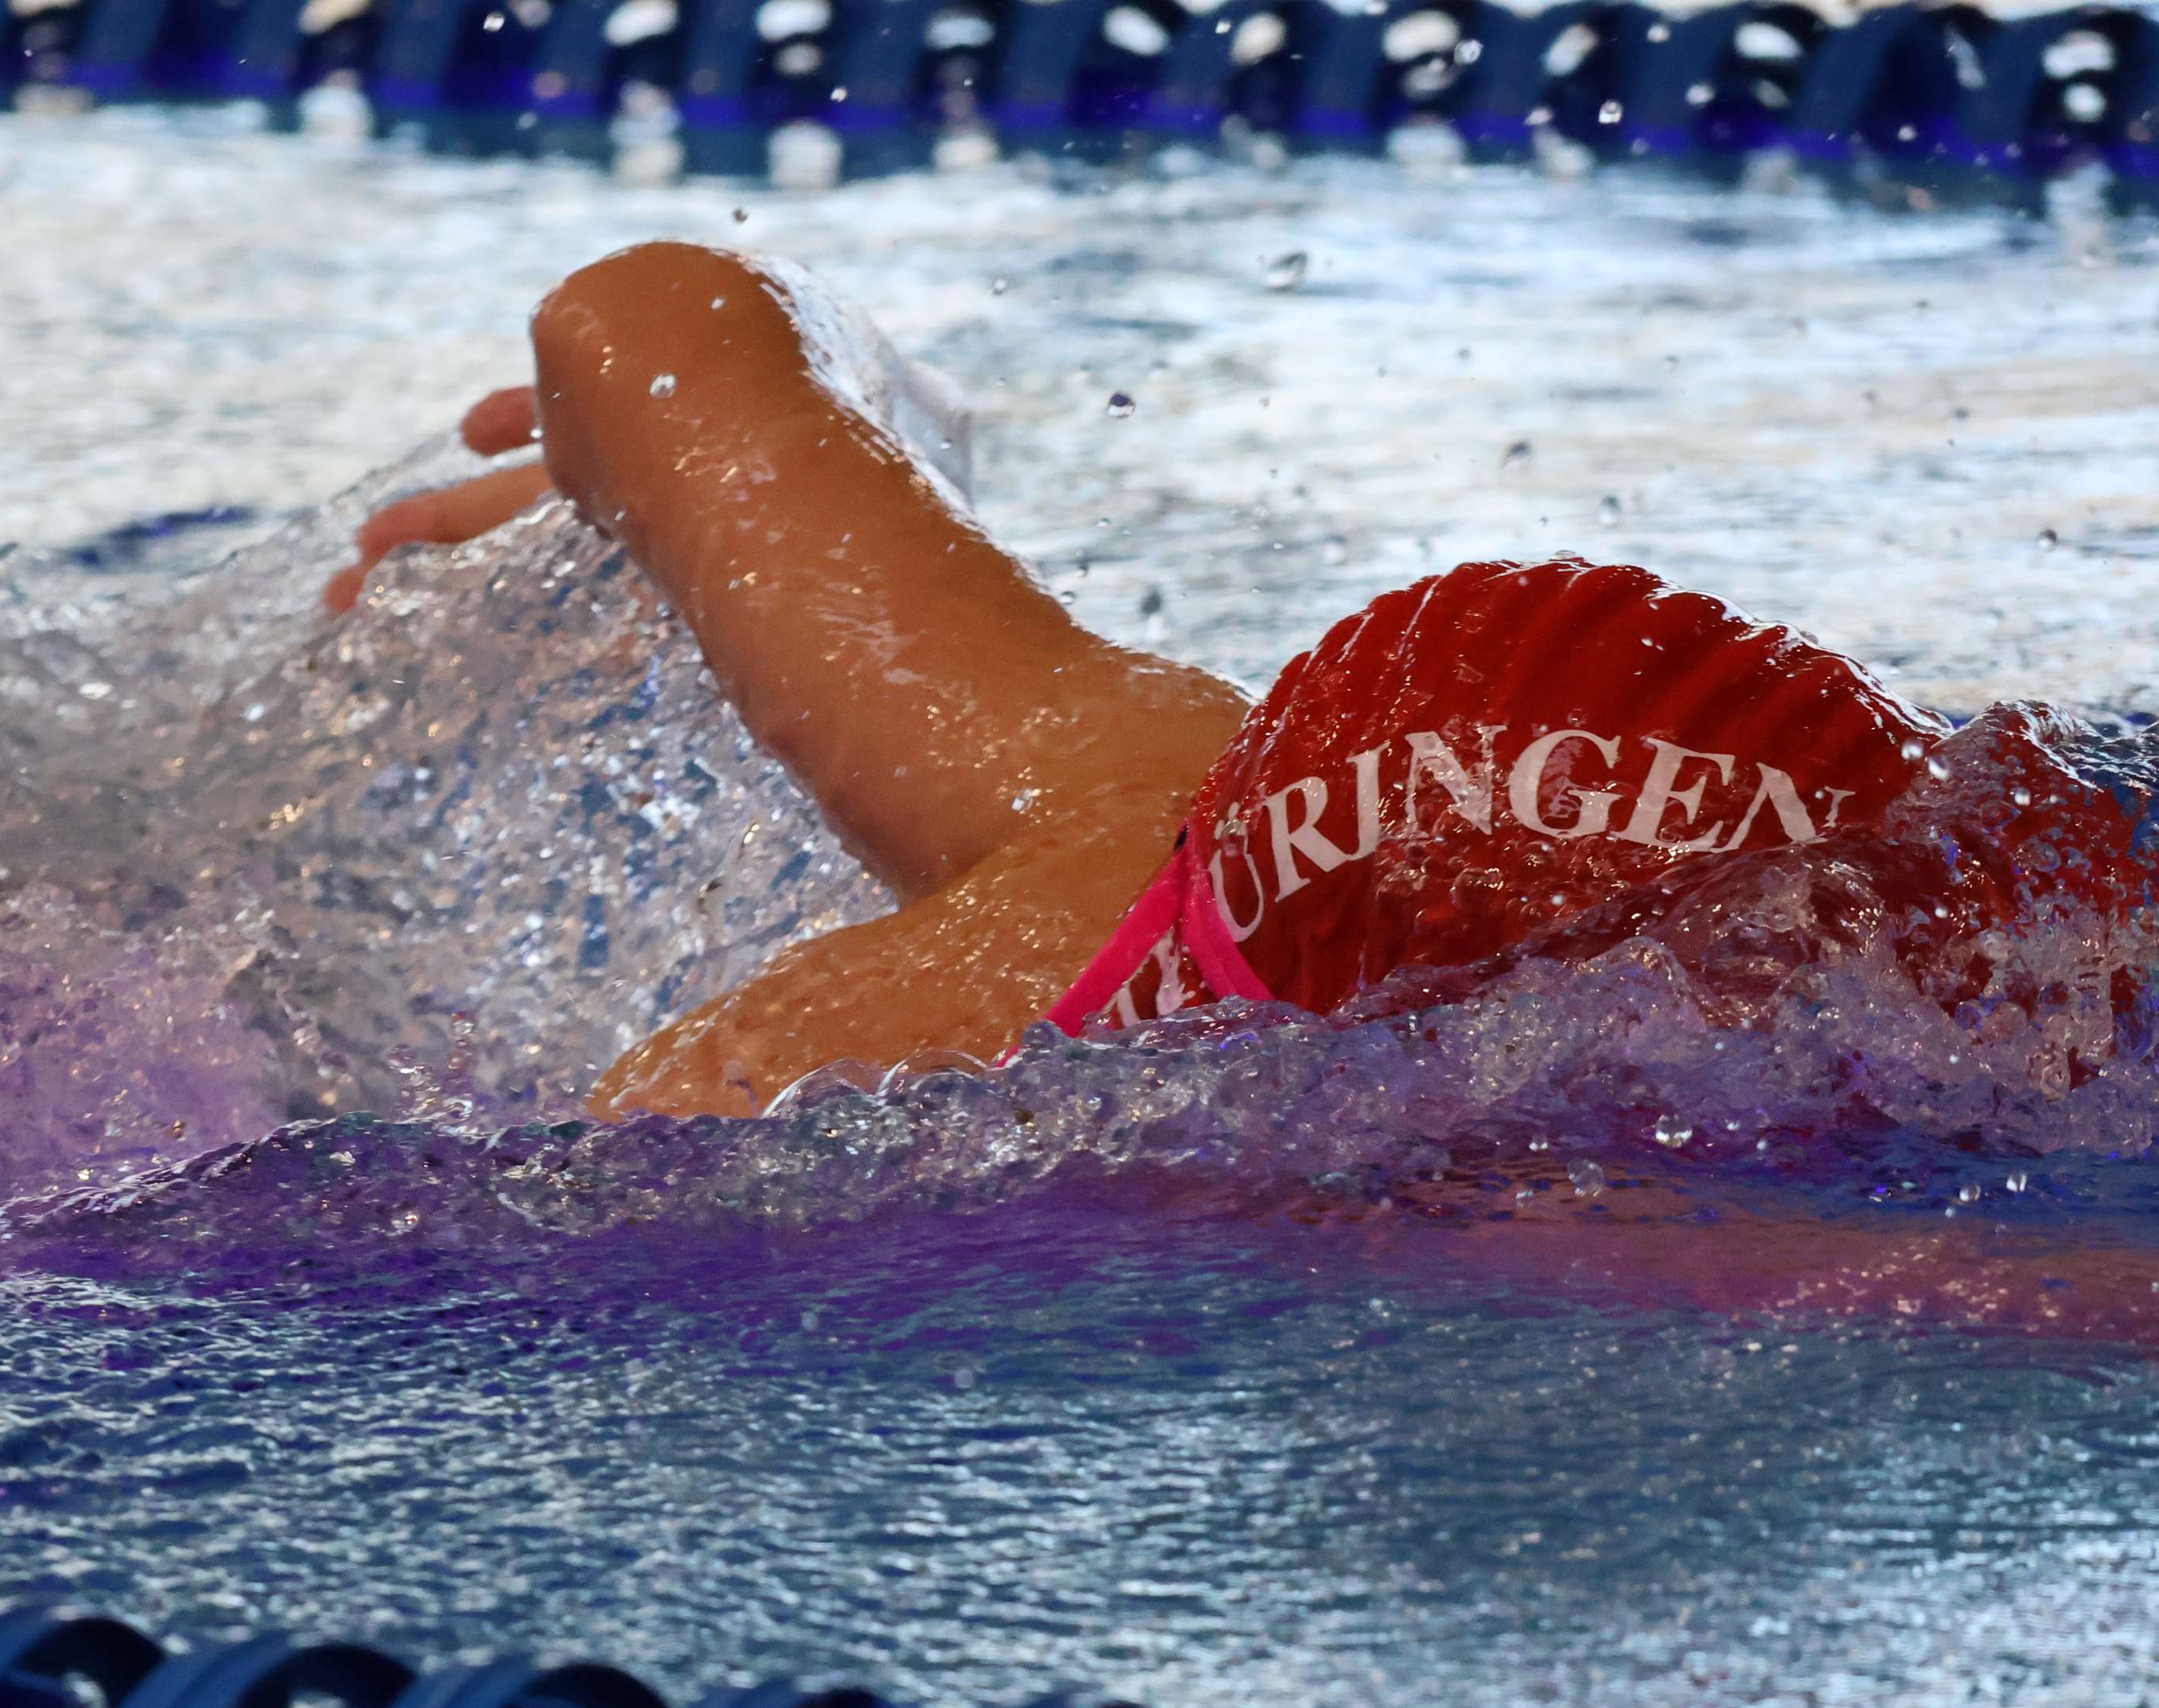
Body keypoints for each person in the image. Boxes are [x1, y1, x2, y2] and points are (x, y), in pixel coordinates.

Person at [324, 243, 2155, 1120]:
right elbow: (629, 324)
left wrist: (784, 485)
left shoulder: (2012, 917)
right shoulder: (955, 1016)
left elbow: (655, 314)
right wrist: (769, 484)